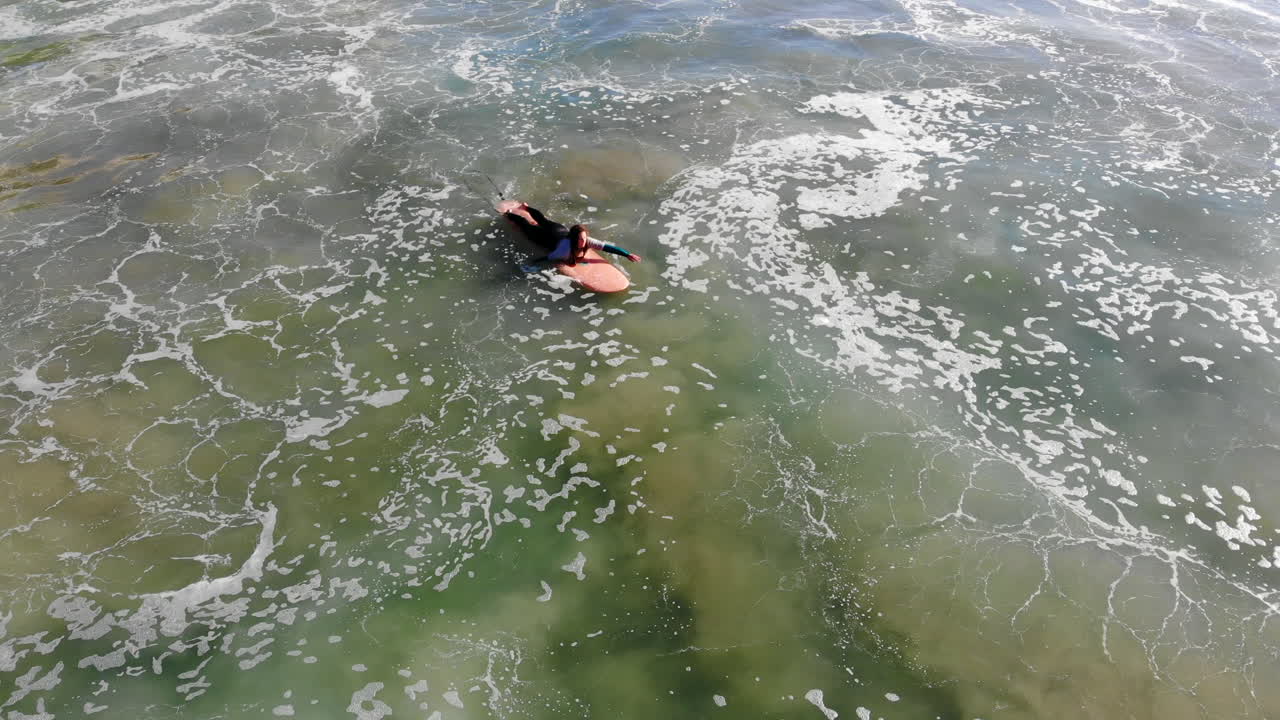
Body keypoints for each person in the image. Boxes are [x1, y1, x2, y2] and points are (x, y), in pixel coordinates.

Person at [497, 201, 641, 266]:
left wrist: (627, 254)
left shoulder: (587, 240)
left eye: (584, 239)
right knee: (526, 226)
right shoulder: (564, 249)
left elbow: (607, 247)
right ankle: (508, 214)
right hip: (548, 239)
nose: (582, 242)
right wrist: (534, 263)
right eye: (579, 240)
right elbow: (550, 257)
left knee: (543, 220)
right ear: (573, 238)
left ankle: (526, 208)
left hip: (558, 229)